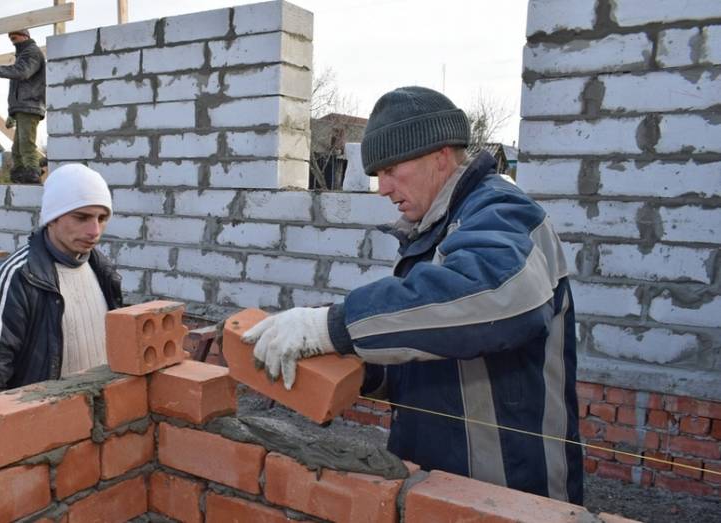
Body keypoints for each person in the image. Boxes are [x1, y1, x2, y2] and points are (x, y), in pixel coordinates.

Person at [243, 86, 583, 504]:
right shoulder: (435, 231)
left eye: (390, 170)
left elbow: (495, 302)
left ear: (440, 156)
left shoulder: (503, 213)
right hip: (433, 483)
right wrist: (353, 369)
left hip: (509, 487)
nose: (382, 188)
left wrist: (331, 326)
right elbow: (431, 348)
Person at [0, 164, 123, 400]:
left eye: (102, 218)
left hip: (97, 420)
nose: (94, 230)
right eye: (82, 217)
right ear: (52, 218)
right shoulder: (16, 278)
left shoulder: (102, 270)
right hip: (42, 424)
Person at [0, 29, 46, 184]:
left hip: (30, 106)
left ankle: (33, 176)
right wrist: (12, 113)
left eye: (14, 38)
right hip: (23, 108)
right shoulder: (23, 56)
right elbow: (19, 86)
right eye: (10, 39)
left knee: (27, 146)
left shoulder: (32, 53)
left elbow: (22, 72)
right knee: (16, 151)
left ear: (25, 36)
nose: (13, 41)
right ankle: (21, 176)